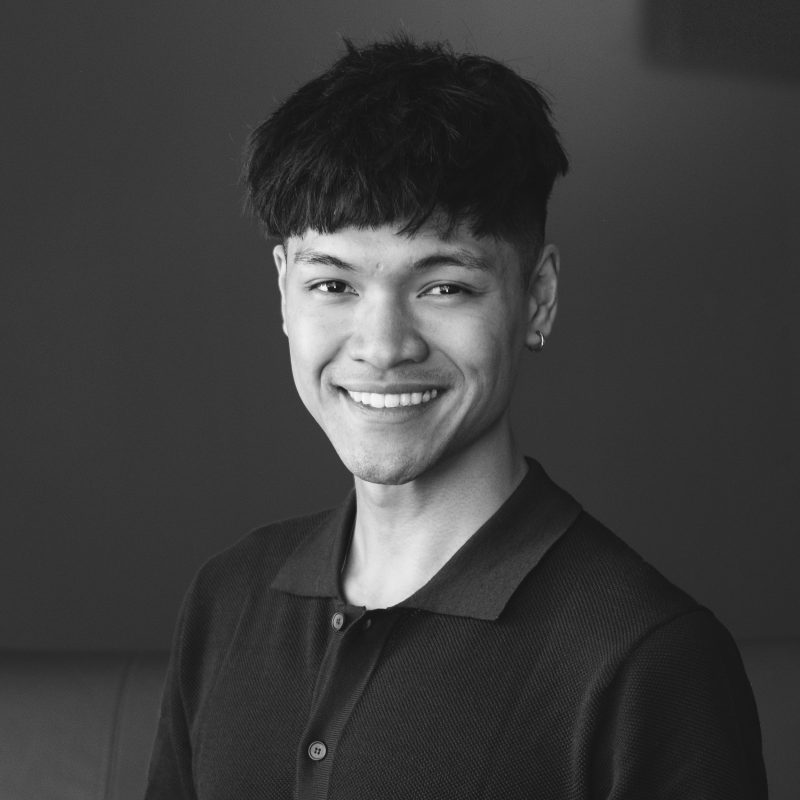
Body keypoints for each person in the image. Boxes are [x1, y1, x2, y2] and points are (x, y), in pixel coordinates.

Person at [145, 37, 767, 799]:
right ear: (283, 291)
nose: (382, 347)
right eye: (333, 285)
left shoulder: (645, 657)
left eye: (443, 287)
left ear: (536, 297)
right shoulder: (228, 598)